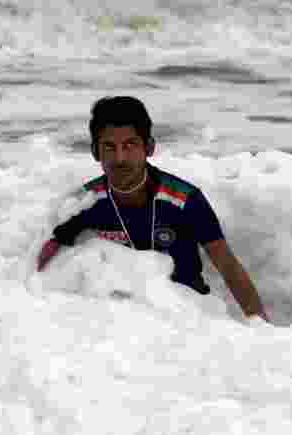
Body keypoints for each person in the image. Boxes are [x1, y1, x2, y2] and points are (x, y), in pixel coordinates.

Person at [37, 96, 269, 321]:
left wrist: (261, 326)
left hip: (190, 319)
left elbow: (227, 266)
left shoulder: (184, 200)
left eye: (130, 145)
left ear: (149, 147)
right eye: (109, 147)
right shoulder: (85, 202)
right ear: (95, 152)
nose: (120, 158)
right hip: (119, 324)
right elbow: (41, 264)